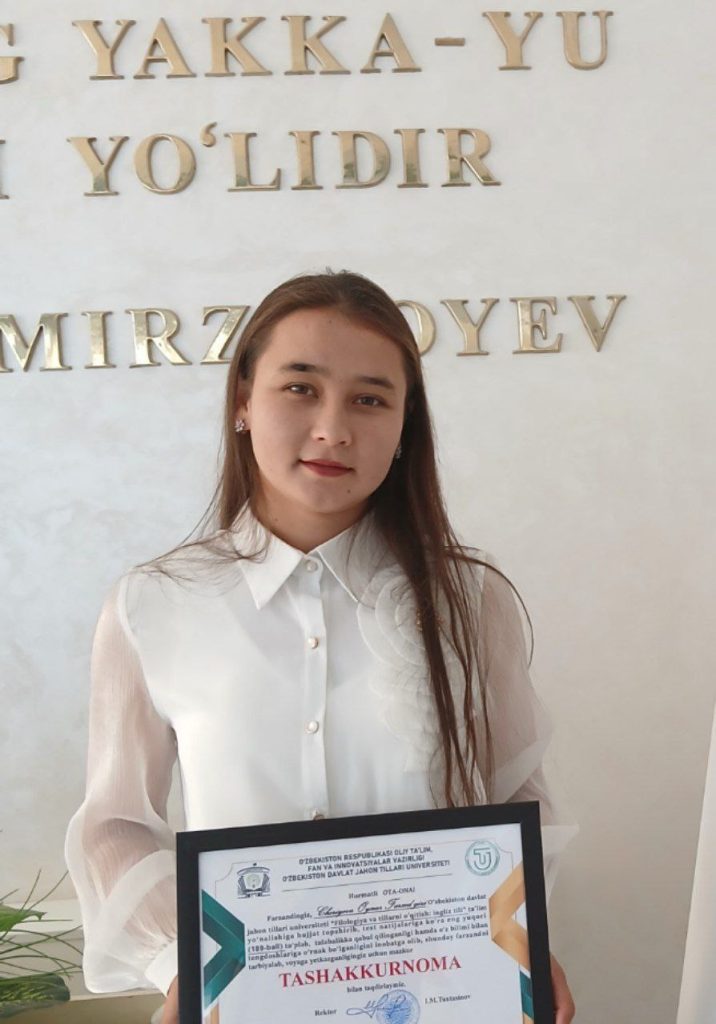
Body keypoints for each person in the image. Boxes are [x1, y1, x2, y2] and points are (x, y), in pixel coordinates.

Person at [65, 271, 575, 1023]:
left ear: (406, 427)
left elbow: (516, 794)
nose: (334, 428)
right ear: (243, 400)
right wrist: (187, 963)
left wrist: (522, 937)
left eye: (370, 399)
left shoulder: (468, 600)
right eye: (300, 388)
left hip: (442, 999)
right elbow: (117, 823)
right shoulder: (154, 604)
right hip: (242, 1006)